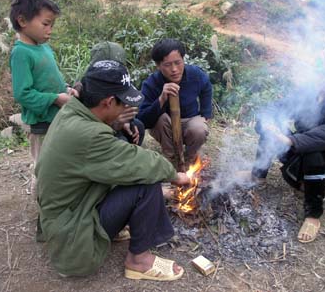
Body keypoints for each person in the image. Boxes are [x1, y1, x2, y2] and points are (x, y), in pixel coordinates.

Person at [36, 60, 190, 280]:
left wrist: (118, 124)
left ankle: (116, 231)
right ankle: (138, 261)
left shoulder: (71, 110)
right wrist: (175, 175)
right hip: (73, 241)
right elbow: (142, 163)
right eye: (124, 103)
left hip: (65, 216)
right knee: (147, 181)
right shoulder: (88, 136)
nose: (127, 109)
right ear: (108, 102)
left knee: (127, 171)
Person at [249, 47, 325, 243]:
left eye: (322, 72)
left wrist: (292, 140)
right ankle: (258, 175)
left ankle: (313, 215)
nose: (317, 75)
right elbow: (281, 106)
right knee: (269, 127)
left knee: (312, 152)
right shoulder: (309, 91)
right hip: (302, 149)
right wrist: (269, 120)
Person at [9, 0, 77, 194]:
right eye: (45, 24)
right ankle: (43, 204)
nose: (50, 30)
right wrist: (55, 99)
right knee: (44, 167)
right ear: (22, 21)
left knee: (60, 161)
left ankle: (59, 198)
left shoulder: (44, 48)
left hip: (57, 118)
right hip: (41, 124)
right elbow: (23, 93)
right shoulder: (21, 53)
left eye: (52, 25)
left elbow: (48, 79)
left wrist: (65, 90)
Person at [137, 38, 212, 167]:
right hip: (165, 127)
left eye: (178, 63)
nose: (174, 69)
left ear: (183, 59)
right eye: (167, 65)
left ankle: (189, 161)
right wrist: (161, 99)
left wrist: (205, 113)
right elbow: (143, 120)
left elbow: (206, 87)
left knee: (199, 128)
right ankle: (170, 162)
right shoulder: (151, 83)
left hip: (190, 120)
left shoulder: (196, 75)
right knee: (161, 119)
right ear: (158, 65)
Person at [87, 41, 145, 146]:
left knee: (137, 126)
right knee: (121, 141)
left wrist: (127, 121)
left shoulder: (120, 76)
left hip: (114, 121)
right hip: (96, 130)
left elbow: (132, 102)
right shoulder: (88, 84)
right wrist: (114, 123)